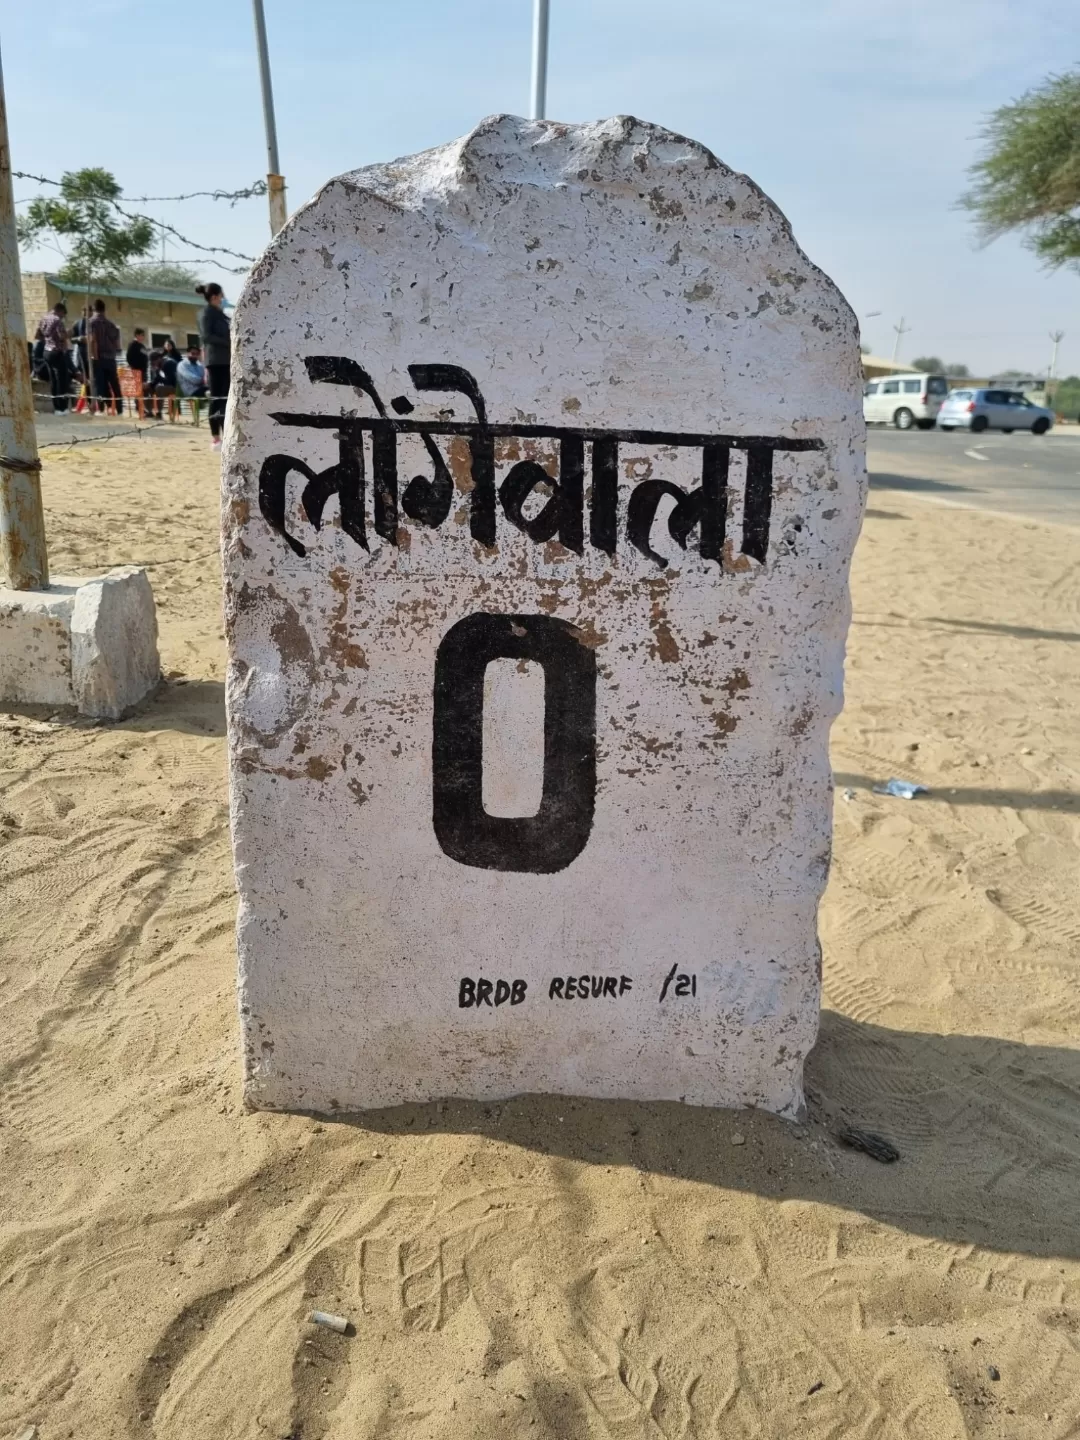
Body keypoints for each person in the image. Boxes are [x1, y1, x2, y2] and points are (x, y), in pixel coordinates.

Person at [196, 282, 230, 449]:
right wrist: (228, 343)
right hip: (215, 361)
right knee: (216, 398)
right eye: (221, 296)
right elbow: (207, 336)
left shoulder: (221, 315)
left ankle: (227, 434)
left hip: (227, 361)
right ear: (215, 297)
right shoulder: (206, 314)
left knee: (225, 399)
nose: (223, 299)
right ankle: (216, 437)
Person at [34, 300, 72, 412]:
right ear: (60, 311)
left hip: (47, 352)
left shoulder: (44, 318)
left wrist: (48, 340)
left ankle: (56, 408)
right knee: (62, 379)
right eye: (63, 315)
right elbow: (61, 336)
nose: (63, 317)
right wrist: (68, 333)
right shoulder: (57, 320)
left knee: (54, 380)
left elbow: (38, 335)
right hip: (57, 352)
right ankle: (62, 407)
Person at [88, 299, 122, 414]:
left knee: (100, 384)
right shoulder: (111, 324)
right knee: (114, 384)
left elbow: (93, 341)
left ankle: (101, 409)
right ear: (104, 309)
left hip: (99, 357)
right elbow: (117, 343)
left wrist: (95, 357)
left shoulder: (91, 322)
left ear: (94, 309)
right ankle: (120, 409)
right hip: (111, 358)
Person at [148, 349, 178, 421]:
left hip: (176, 387)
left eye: (154, 361)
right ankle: (149, 411)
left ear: (159, 358)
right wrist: (149, 384)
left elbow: (169, 381)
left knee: (159, 388)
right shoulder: (160, 365)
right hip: (169, 386)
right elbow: (157, 380)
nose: (153, 364)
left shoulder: (168, 363)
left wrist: (157, 372)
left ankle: (159, 413)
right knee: (148, 388)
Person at [125, 327, 149, 417]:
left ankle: (143, 407)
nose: (143, 337)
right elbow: (129, 357)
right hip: (136, 371)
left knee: (143, 390)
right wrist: (134, 368)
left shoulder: (142, 346)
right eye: (141, 335)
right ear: (137, 335)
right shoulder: (133, 345)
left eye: (143, 335)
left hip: (143, 371)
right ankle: (139, 408)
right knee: (138, 390)